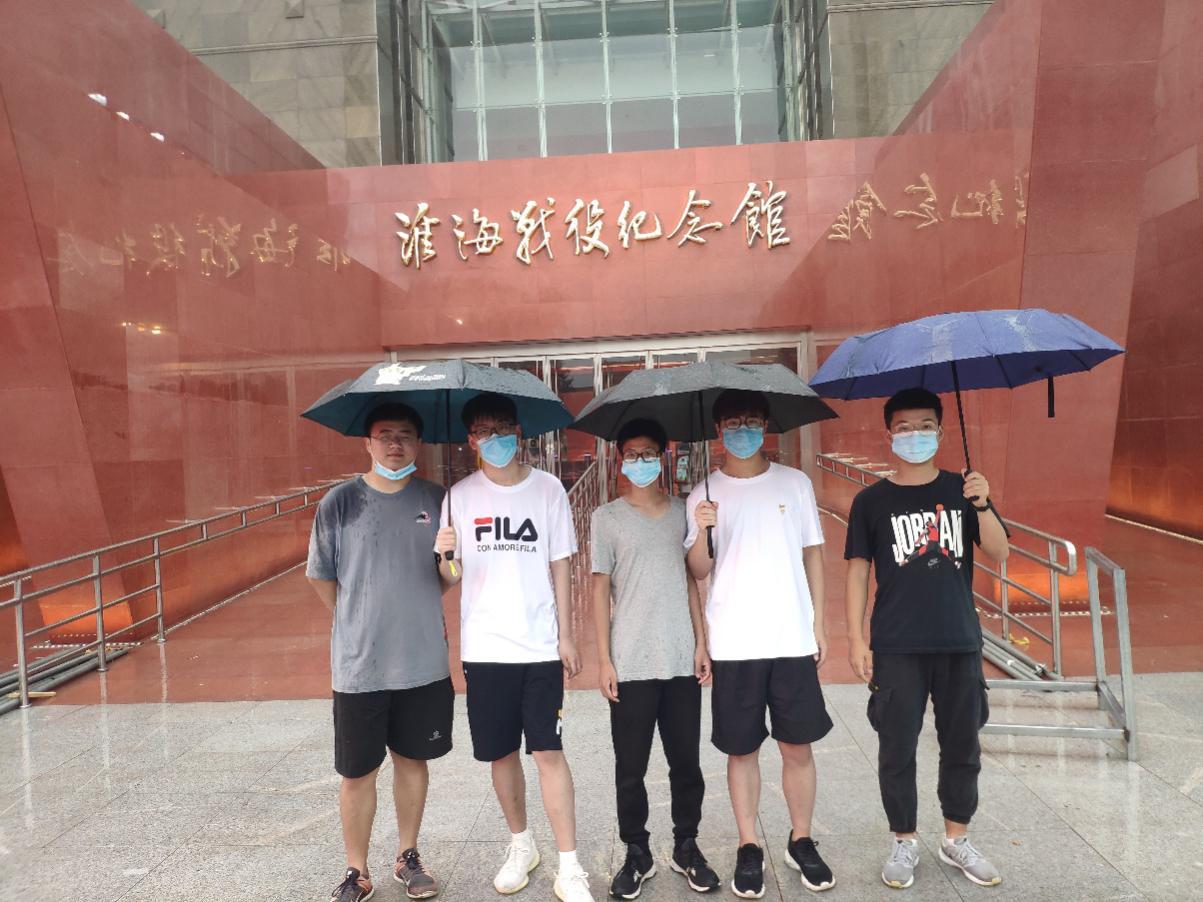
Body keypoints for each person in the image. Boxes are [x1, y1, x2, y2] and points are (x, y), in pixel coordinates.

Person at [843, 387, 1010, 890]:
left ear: (941, 430)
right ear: (888, 434)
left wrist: (983, 503)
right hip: (896, 643)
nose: (914, 435)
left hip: (958, 640)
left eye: (924, 426)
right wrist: (856, 639)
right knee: (897, 746)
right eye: (904, 427)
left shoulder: (964, 491)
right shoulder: (871, 501)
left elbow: (1000, 552)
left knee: (962, 743)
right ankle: (904, 839)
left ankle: (956, 838)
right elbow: (857, 572)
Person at [435, 392, 595, 902]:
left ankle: (569, 865)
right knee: (500, 754)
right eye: (484, 431)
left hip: (539, 647)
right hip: (485, 650)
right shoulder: (458, 497)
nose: (495, 438)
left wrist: (566, 634)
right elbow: (451, 577)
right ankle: (521, 845)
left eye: (502, 428)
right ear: (471, 440)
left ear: (519, 432)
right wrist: (445, 556)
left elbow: (561, 564)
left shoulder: (547, 490)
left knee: (549, 751)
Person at [685, 389, 836, 898]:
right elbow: (697, 570)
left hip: (790, 636)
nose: (742, 431)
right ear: (718, 430)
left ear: (766, 426)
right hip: (734, 642)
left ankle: (801, 838)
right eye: (732, 423)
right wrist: (703, 529)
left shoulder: (794, 484)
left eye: (751, 421)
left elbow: (813, 553)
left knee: (797, 745)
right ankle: (748, 844)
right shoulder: (703, 494)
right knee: (742, 748)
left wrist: (818, 623)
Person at [306, 402, 451, 902]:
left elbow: (448, 576)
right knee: (357, 771)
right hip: (360, 666)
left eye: (405, 434)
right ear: (367, 442)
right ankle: (356, 870)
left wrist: (448, 562)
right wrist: (357, 617)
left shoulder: (438, 500)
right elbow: (321, 576)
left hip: (422, 661)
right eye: (385, 434)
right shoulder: (340, 502)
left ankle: (408, 856)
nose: (395, 443)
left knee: (413, 760)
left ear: (419, 443)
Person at [591, 418, 720, 899]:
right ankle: (637, 851)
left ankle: (687, 846)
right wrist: (604, 660)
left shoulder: (685, 512)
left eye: (649, 453)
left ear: (663, 457)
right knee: (631, 768)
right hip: (630, 662)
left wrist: (701, 642)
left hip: (680, 658)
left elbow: (691, 580)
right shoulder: (605, 518)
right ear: (620, 460)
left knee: (686, 763)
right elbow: (599, 589)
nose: (640, 461)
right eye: (632, 454)